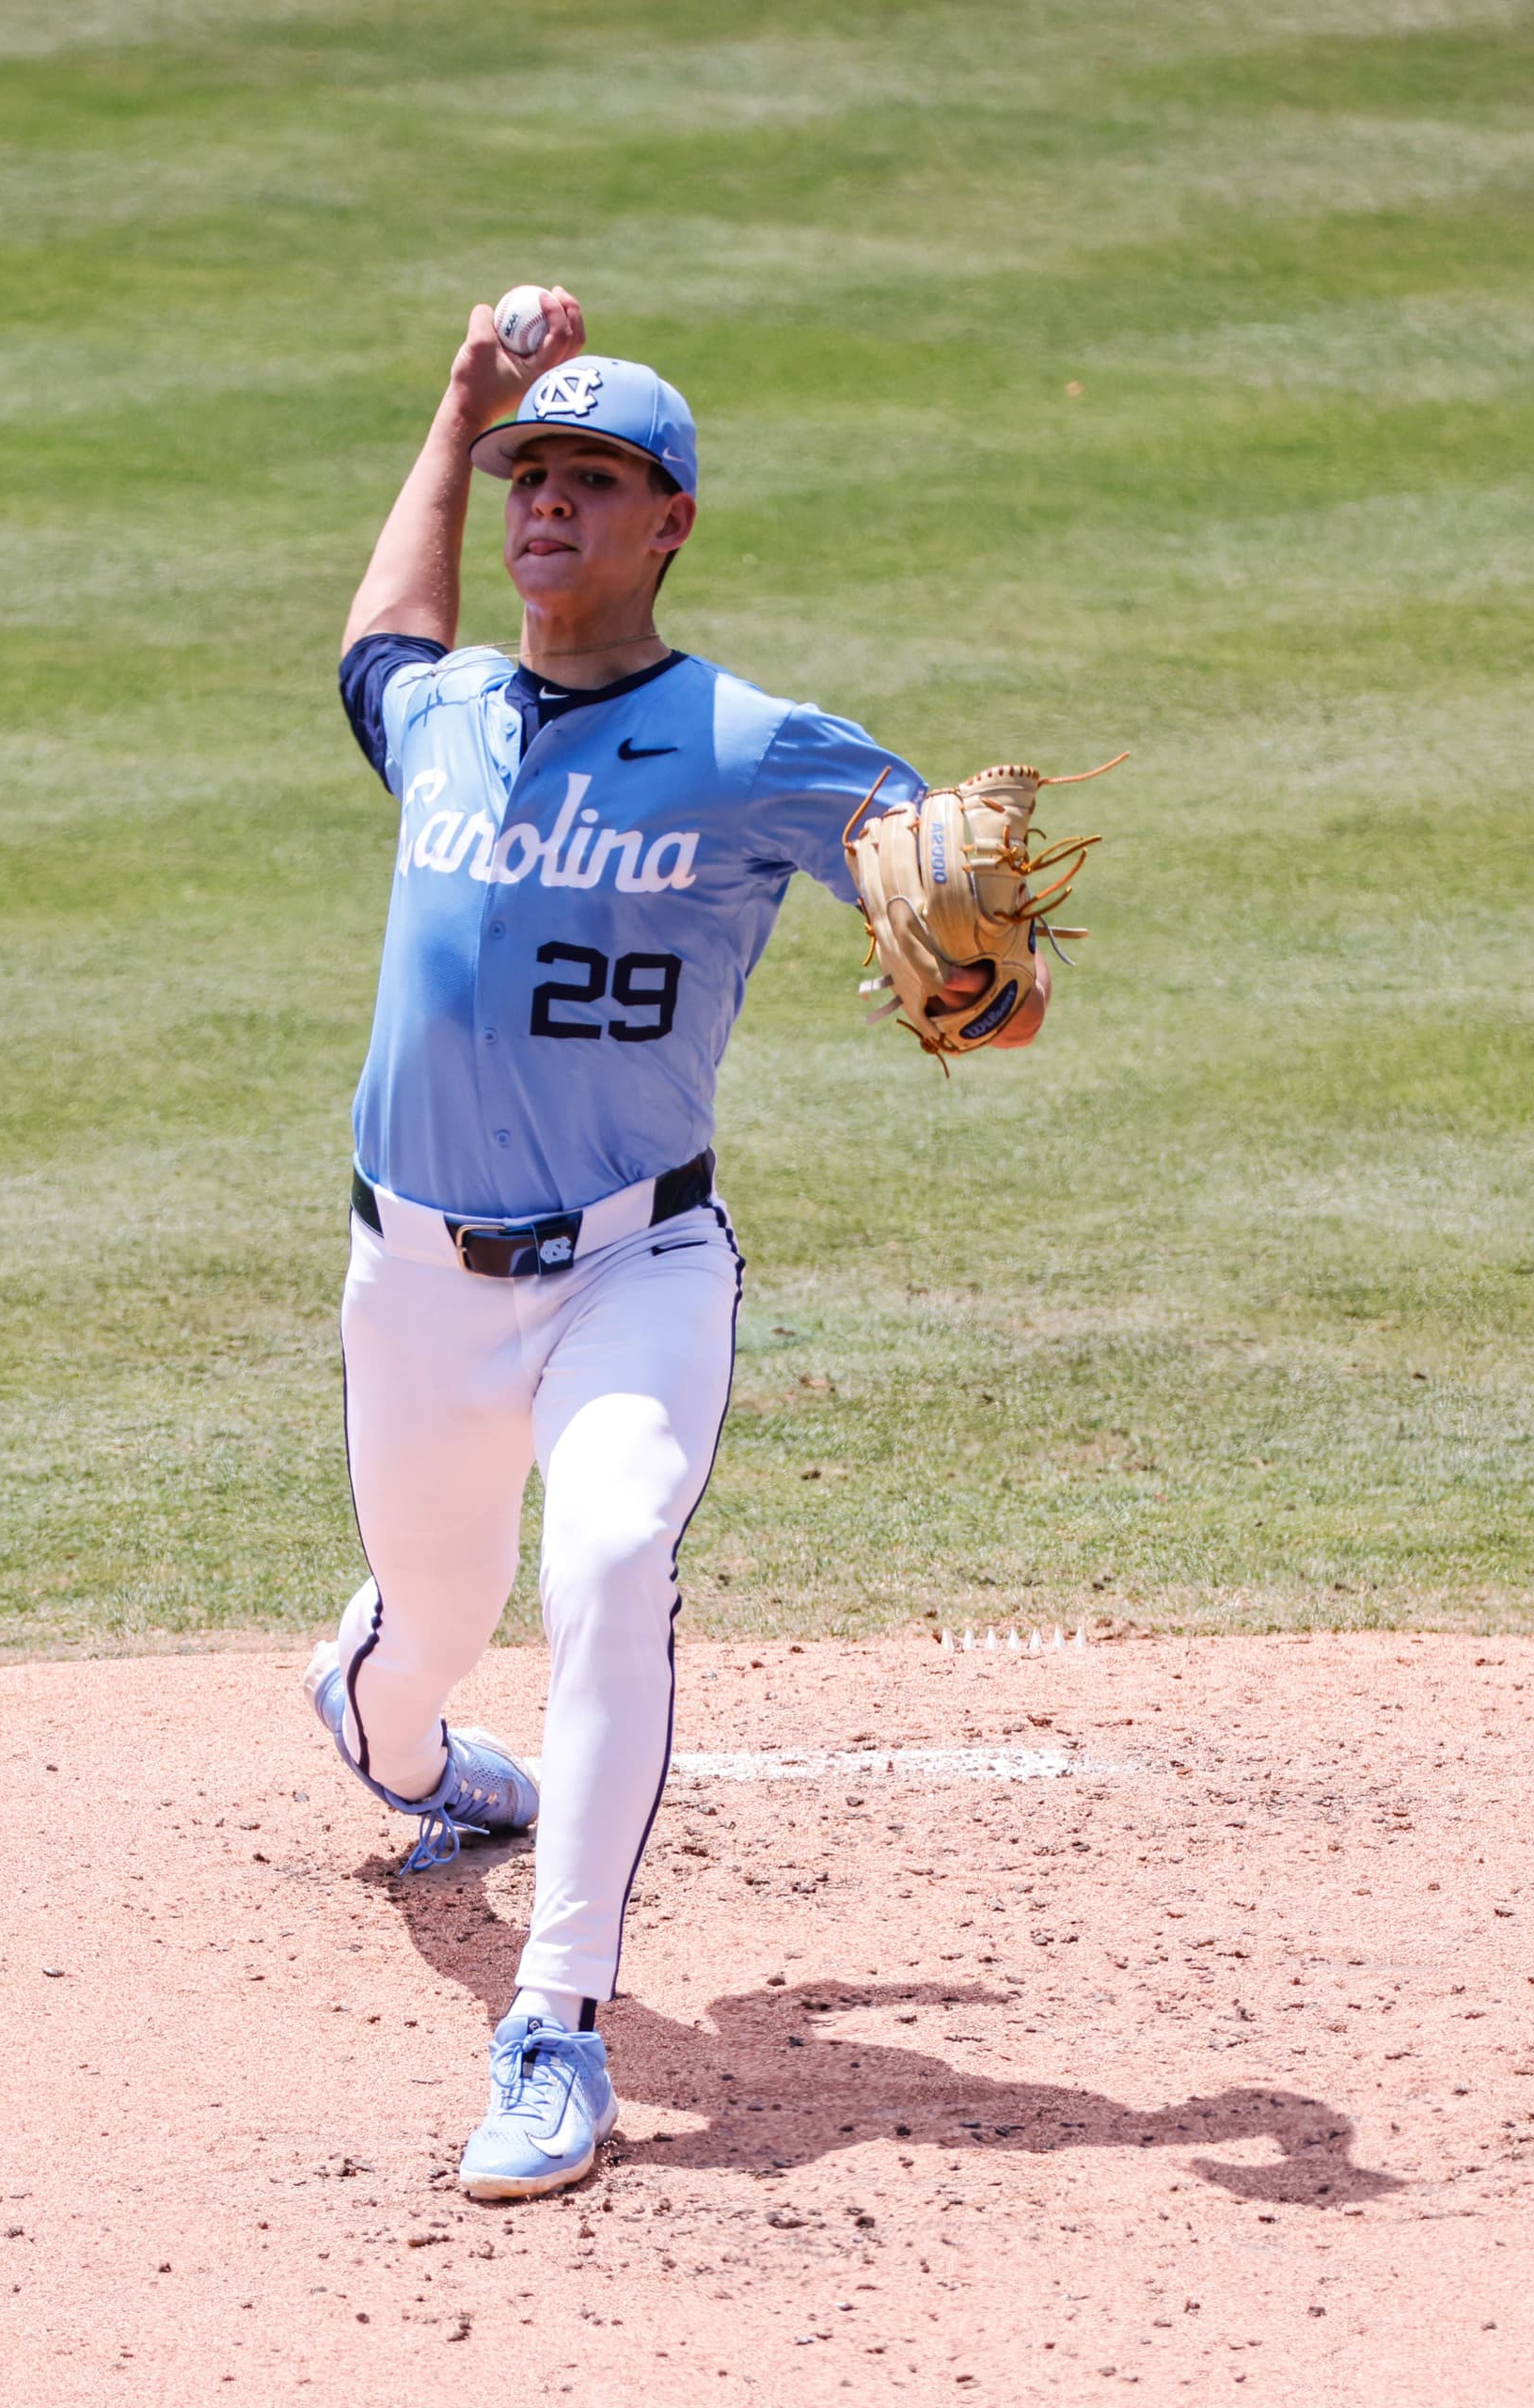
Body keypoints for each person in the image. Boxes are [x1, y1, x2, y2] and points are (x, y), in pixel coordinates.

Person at [306, 289, 1045, 2202]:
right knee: (426, 1646)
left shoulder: (748, 743)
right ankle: (394, 1735)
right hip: (414, 1286)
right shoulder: (449, 713)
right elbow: (380, 636)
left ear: (669, 520)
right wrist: (458, 394)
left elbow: (956, 911)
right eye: (526, 477)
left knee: (616, 1555)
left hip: (639, 1270)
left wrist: (997, 980)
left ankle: (555, 2022)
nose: (546, 504)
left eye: (589, 476)